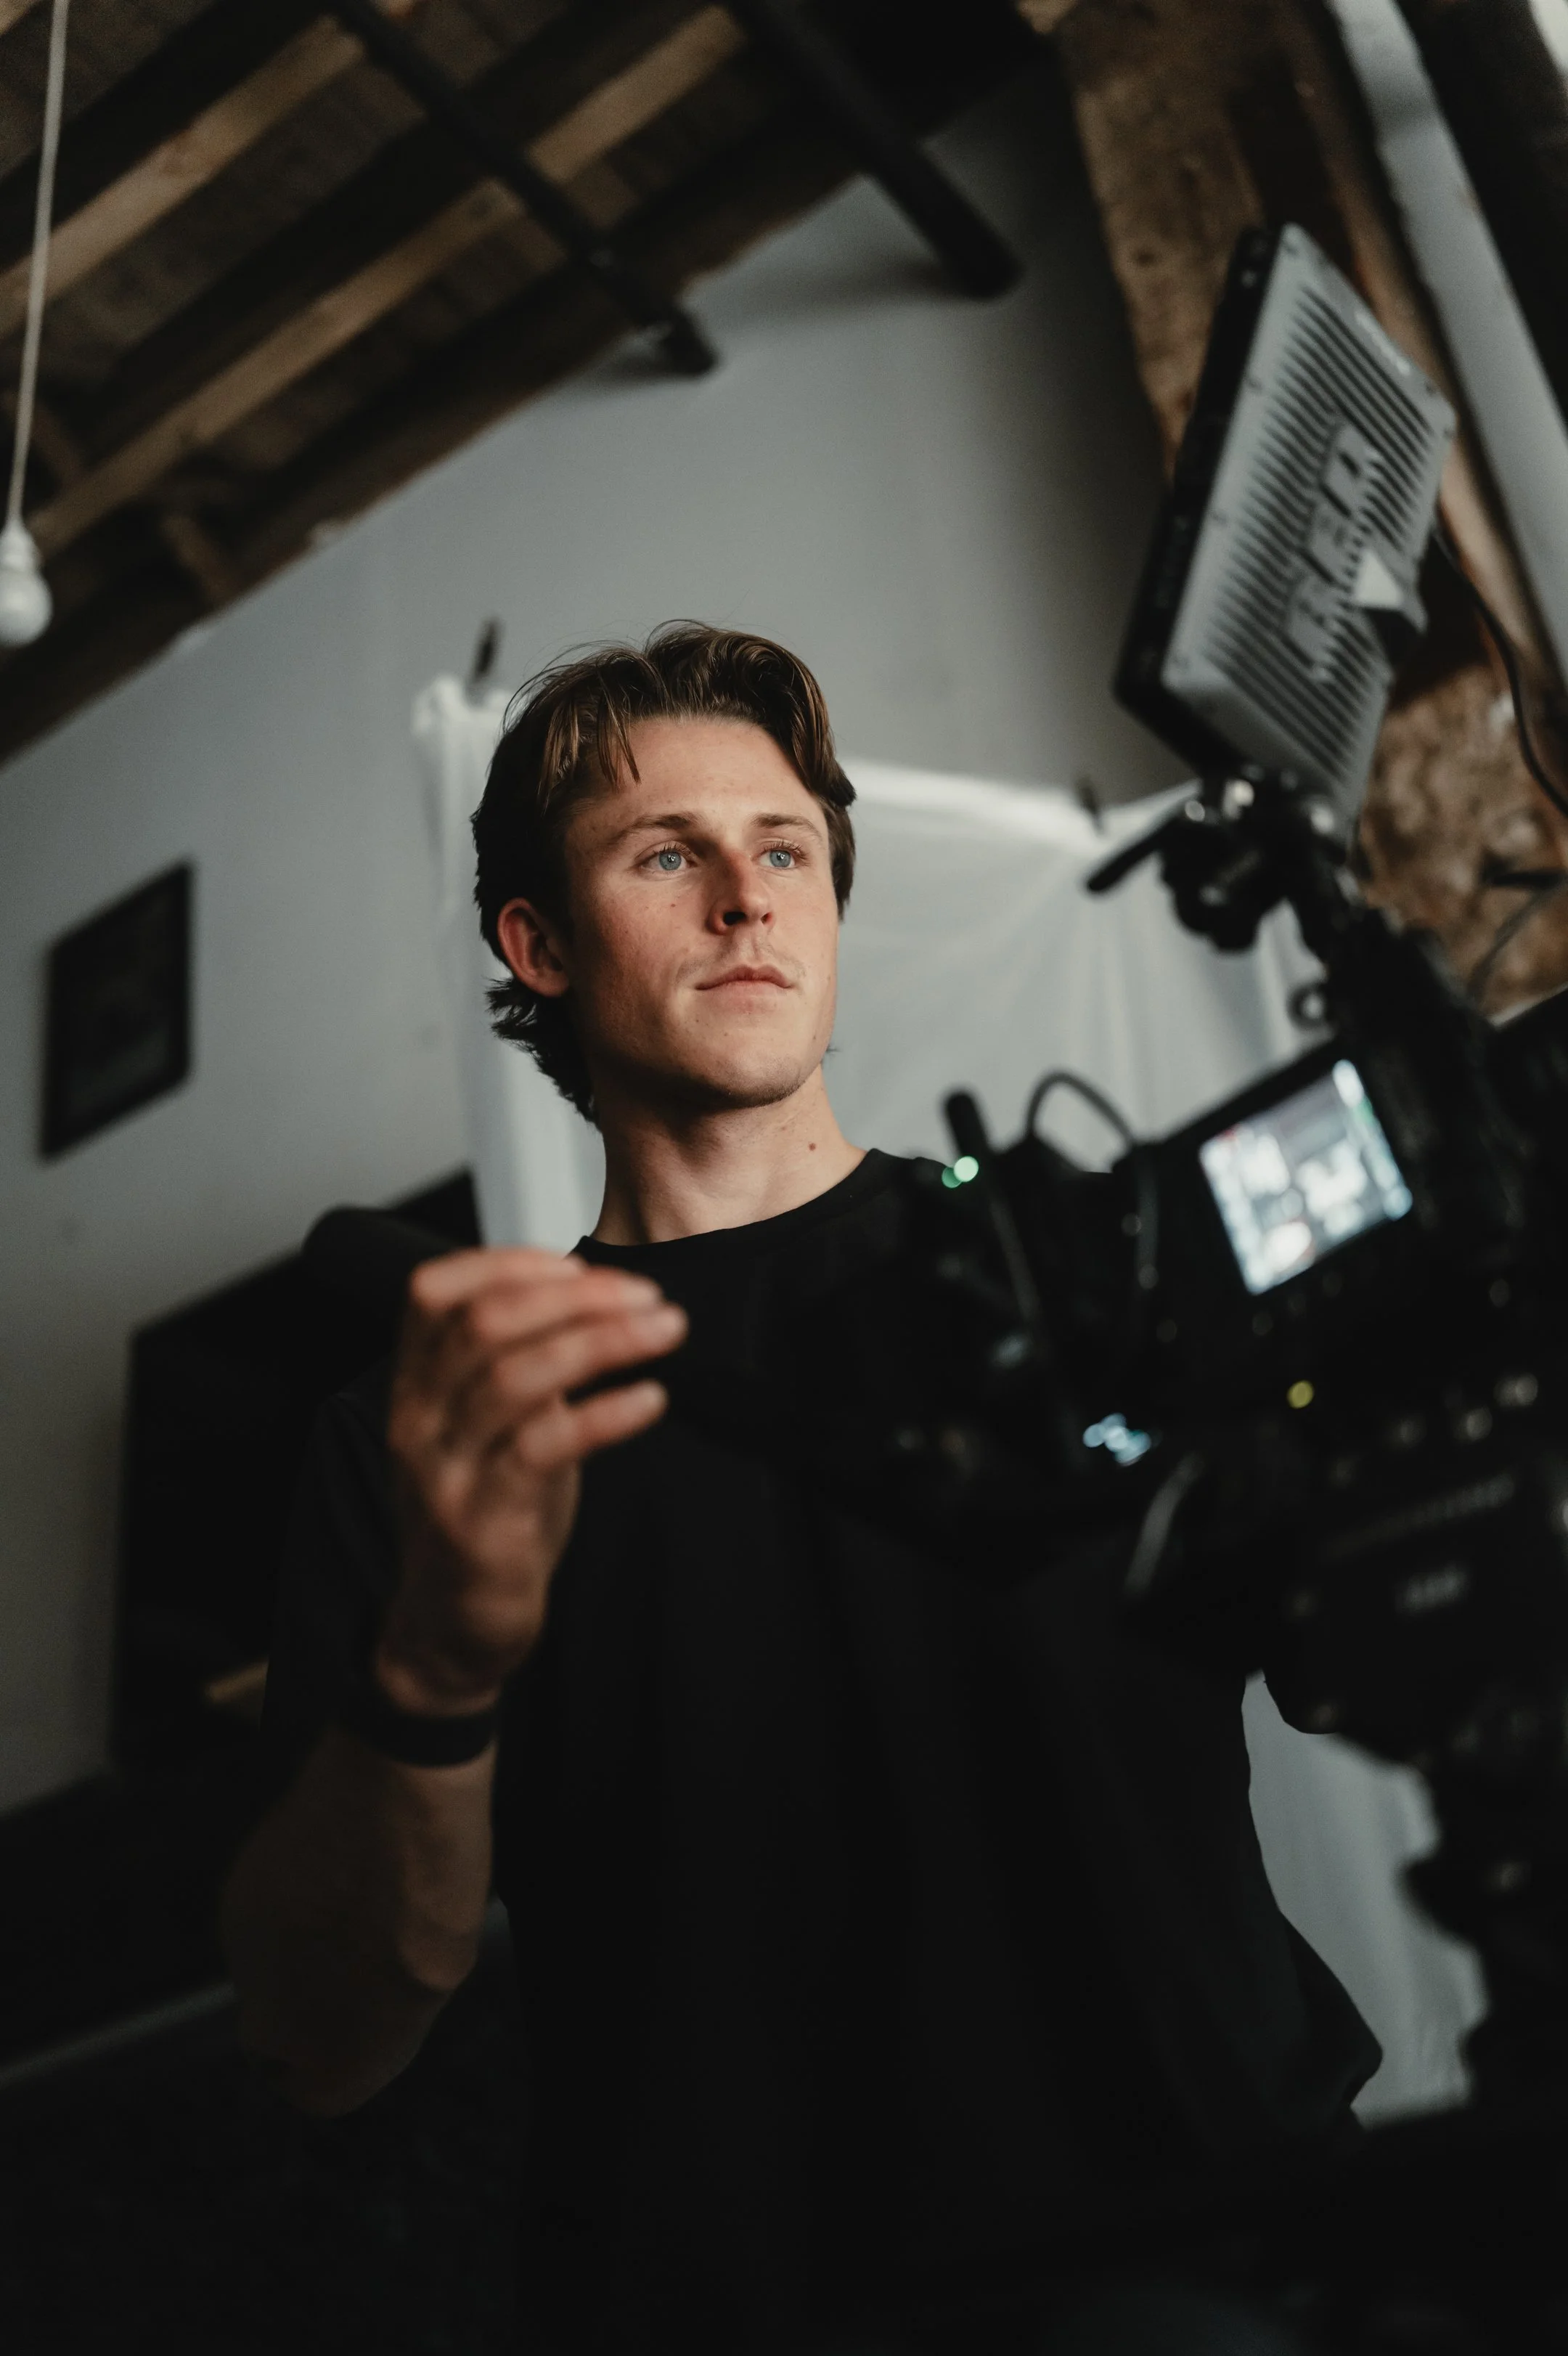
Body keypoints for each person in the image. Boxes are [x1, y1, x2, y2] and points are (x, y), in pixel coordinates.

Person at [222, 624, 1377, 2356]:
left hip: (1240, 2264)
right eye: (664, 854)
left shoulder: (1083, 1267)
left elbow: (1376, 1647)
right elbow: (330, 2035)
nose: (748, 900)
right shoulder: (436, 1418)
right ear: (536, 941)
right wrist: (437, 1675)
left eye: (785, 851)